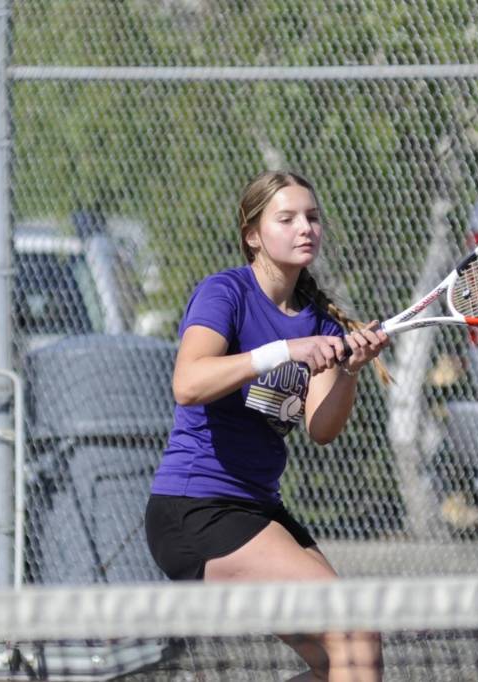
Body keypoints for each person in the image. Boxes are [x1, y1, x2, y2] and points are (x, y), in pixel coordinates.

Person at [145, 170, 390, 681]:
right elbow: (188, 382)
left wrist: (348, 370)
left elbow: (321, 428)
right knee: (353, 625)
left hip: (257, 507)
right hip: (196, 509)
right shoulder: (225, 293)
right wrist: (281, 351)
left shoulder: (319, 320)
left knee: (350, 654)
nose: (306, 228)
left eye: (313, 217)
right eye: (288, 218)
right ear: (253, 234)